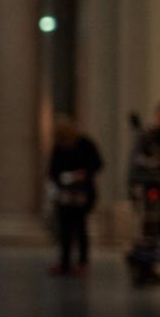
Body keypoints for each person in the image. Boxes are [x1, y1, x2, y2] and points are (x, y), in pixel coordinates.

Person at [47, 116, 102, 276]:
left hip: (83, 190)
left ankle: (82, 263)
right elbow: (53, 170)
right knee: (64, 228)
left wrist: (83, 173)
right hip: (65, 191)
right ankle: (65, 262)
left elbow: (97, 164)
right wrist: (62, 179)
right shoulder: (59, 147)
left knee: (80, 227)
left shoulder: (85, 144)